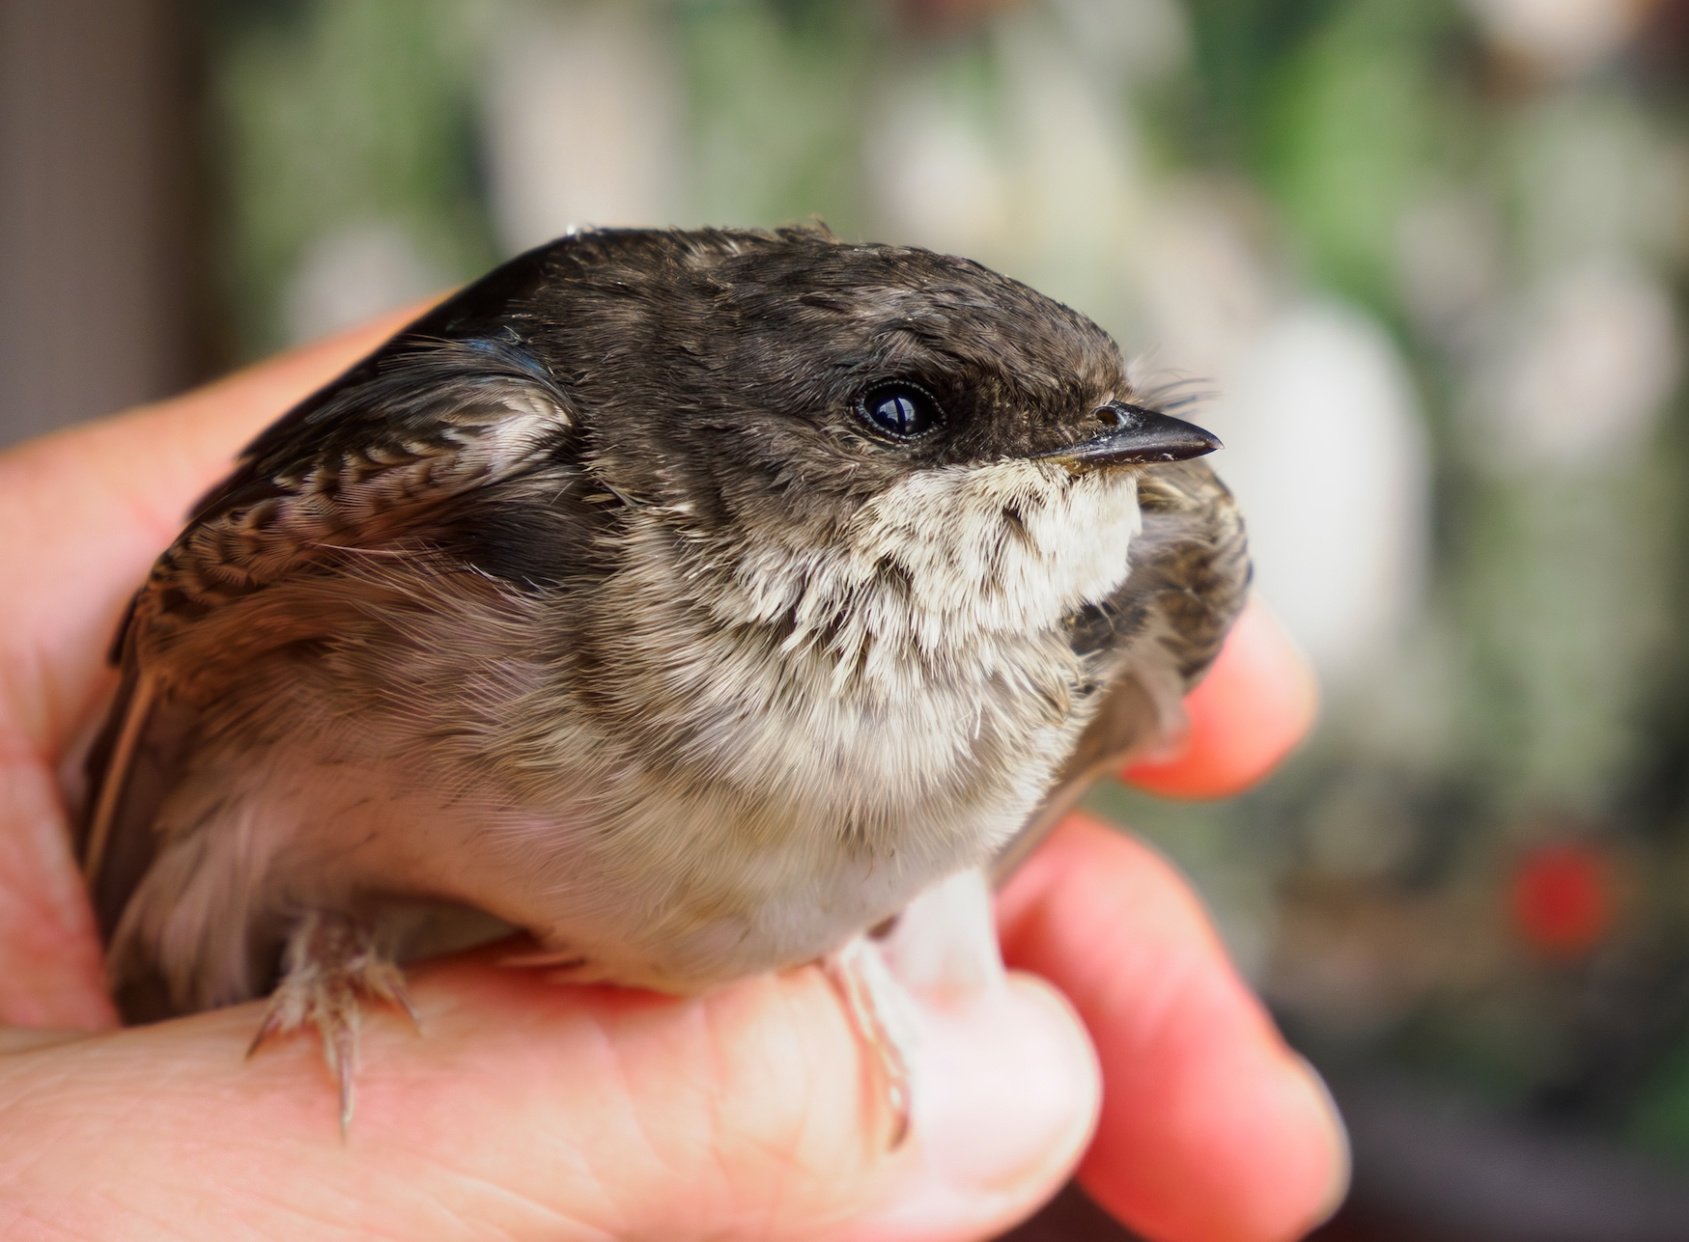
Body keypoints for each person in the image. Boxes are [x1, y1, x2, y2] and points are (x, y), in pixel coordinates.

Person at [0, 313, 1346, 1240]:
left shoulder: (1106, 577)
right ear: (714, 438)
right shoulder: (495, 467)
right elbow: (185, 627)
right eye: (906, 411)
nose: (1103, 452)